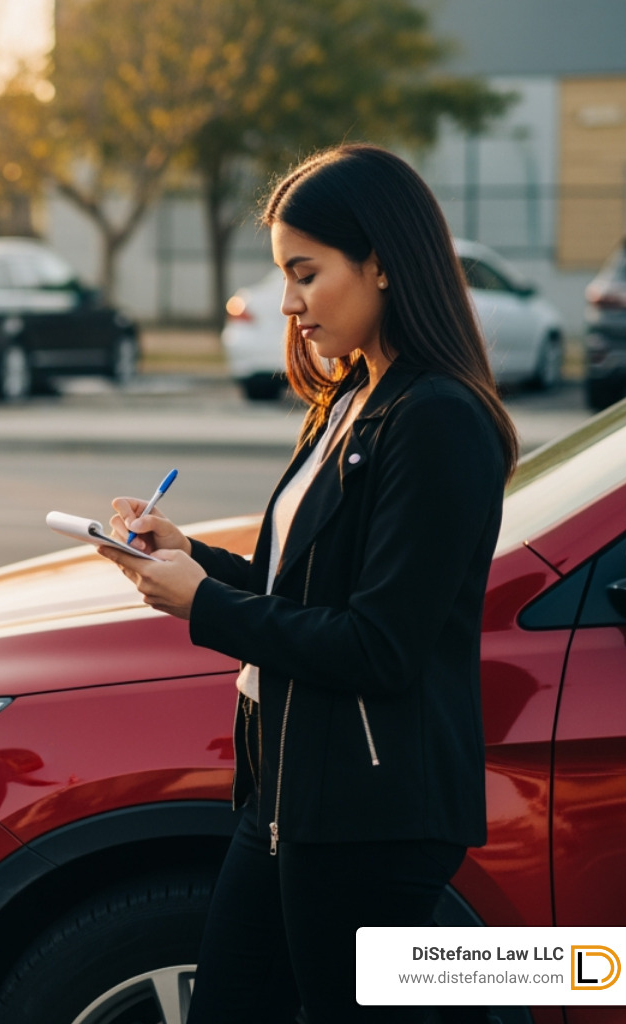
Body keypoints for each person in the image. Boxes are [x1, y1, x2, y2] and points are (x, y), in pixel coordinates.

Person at [99, 144, 517, 1022]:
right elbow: (308, 588)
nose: (287, 303)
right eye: (282, 273)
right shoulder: (349, 400)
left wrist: (202, 604)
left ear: (382, 264)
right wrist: (190, 559)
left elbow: (380, 645)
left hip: (370, 814)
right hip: (291, 790)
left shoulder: (436, 418)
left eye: (305, 272)